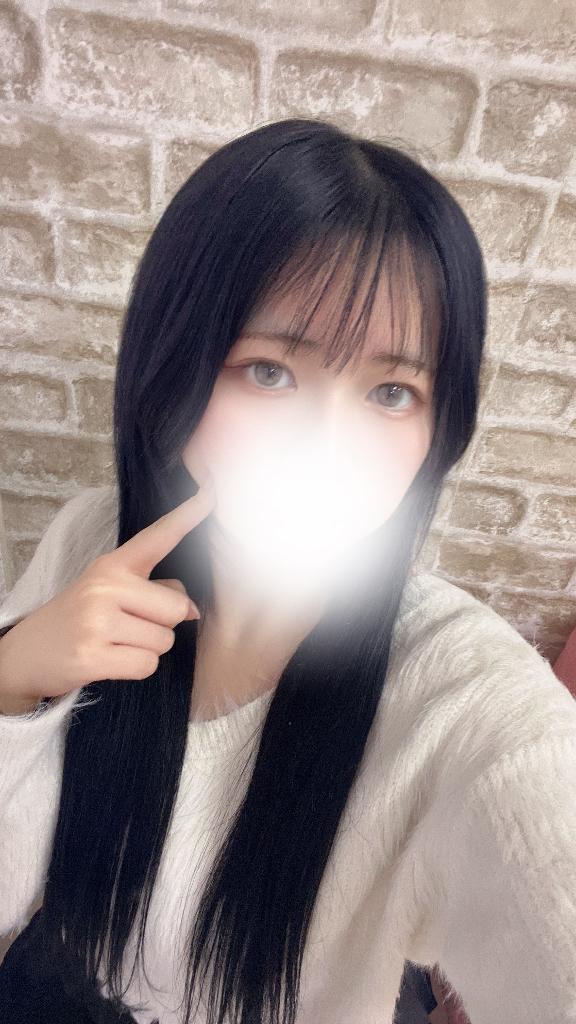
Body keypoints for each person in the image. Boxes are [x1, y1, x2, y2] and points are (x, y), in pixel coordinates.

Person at [0, 117, 575, 1024]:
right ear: (173, 370)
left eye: (392, 392)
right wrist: (12, 678)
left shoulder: (465, 707)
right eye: (270, 372)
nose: (327, 445)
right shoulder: (90, 543)